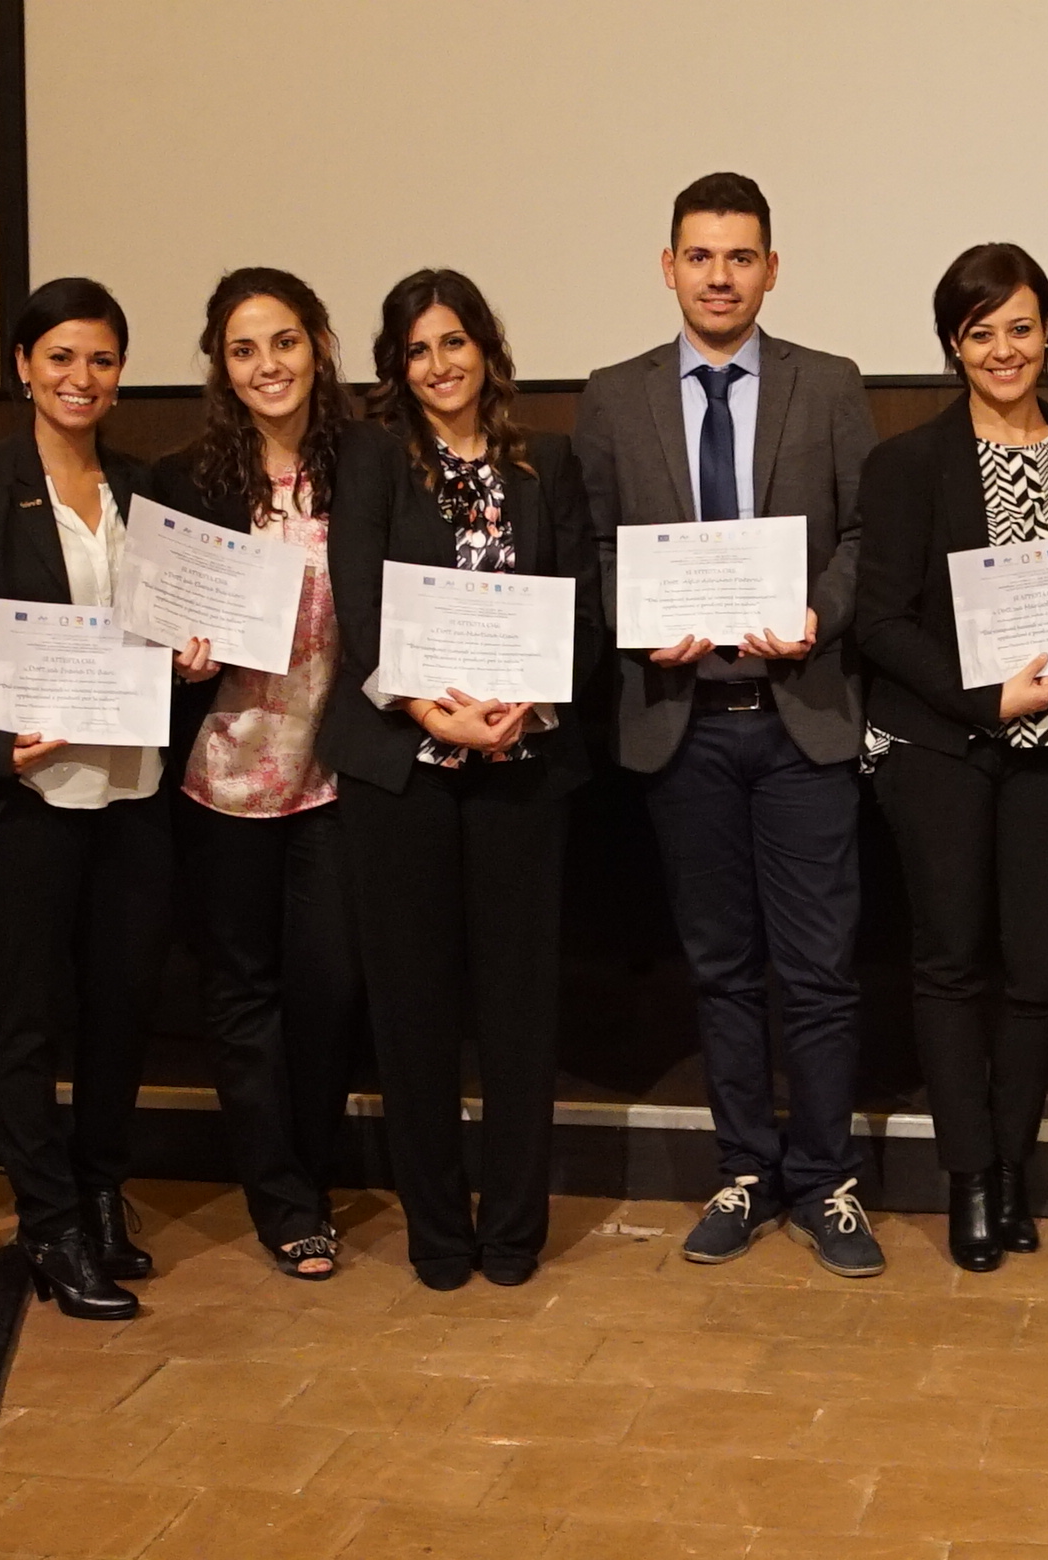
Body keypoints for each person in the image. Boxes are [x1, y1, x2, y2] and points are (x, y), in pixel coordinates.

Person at [573, 172, 885, 1277]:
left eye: (740, 256)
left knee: (818, 971)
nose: (719, 275)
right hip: (681, 724)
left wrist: (821, 612)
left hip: (801, 721)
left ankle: (826, 1180)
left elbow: (862, 537)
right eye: (699, 257)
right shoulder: (612, 397)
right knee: (718, 968)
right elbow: (598, 549)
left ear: (770, 267)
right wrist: (631, 624)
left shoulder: (830, 384)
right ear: (668, 268)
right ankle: (745, 1169)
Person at [0, 278, 217, 1319]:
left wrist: (192, 663)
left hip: (132, 788)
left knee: (120, 1011)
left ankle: (100, 1196)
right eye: (59, 358)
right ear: (21, 367)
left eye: (99, 360)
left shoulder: (147, 492)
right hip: (22, 796)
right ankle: (47, 1223)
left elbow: (178, 629)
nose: (79, 378)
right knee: (23, 1021)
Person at [325, 270, 604, 1290]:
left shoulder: (549, 465)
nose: (438, 365)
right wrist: (429, 712)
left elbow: (577, 606)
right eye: (416, 350)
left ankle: (515, 1228)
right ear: (394, 368)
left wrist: (523, 710)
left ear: (486, 347)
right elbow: (359, 604)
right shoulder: (368, 461)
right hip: (403, 770)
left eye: (454, 342)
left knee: (521, 1010)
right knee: (413, 1011)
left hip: (521, 769)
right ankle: (438, 1231)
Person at [855, 244, 1048, 1272]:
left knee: (1040, 970)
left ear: (1047, 332)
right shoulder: (907, 461)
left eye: (1020, 326)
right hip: (943, 749)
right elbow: (878, 620)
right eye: (979, 330)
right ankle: (966, 1179)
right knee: (951, 965)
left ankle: (1009, 1165)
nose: (1003, 349)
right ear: (952, 345)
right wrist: (980, 696)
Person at [146, 269, 364, 1281]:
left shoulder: (368, 467)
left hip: (333, 776)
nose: (266, 365)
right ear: (219, 368)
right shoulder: (185, 484)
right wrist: (176, 652)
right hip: (222, 776)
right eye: (242, 350)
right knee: (241, 993)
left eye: (282, 342)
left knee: (326, 987)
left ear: (318, 345)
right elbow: (144, 629)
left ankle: (309, 1170)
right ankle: (282, 1202)